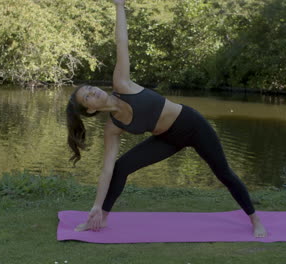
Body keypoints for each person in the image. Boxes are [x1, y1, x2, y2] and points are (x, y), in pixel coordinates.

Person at [65, 0, 267, 238]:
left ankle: (255, 220)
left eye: (90, 88)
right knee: (121, 167)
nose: (93, 92)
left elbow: (121, 44)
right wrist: (96, 205)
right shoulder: (113, 128)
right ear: (89, 110)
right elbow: (107, 170)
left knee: (223, 173)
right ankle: (100, 217)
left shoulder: (122, 84)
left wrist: (119, 6)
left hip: (192, 125)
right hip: (167, 139)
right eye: (87, 96)